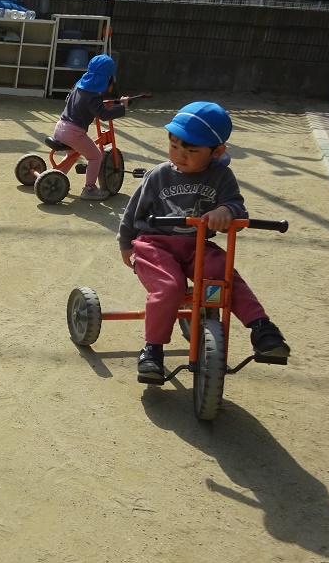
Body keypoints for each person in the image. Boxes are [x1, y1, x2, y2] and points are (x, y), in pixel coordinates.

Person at [117, 101, 291, 378]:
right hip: (154, 244)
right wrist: (126, 244)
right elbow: (131, 213)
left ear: (217, 151)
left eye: (191, 150)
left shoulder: (222, 176)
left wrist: (226, 211)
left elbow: (236, 206)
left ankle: (262, 329)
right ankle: (153, 349)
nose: (180, 154)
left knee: (223, 273)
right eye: (174, 145)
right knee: (170, 286)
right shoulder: (158, 175)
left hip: (196, 245)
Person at [52, 54, 130, 201]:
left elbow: (74, 101)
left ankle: (57, 178)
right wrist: (122, 106)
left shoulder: (78, 86)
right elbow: (104, 115)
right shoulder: (93, 96)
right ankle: (89, 189)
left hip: (60, 127)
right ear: (107, 79)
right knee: (96, 157)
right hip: (74, 133)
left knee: (72, 154)